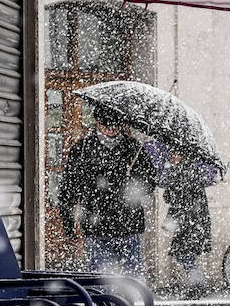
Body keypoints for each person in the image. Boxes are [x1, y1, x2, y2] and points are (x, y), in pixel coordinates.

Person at [58, 103, 158, 280]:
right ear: (97, 123)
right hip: (96, 225)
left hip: (128, 223)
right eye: (106, 126)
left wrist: (133, 184)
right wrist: (68, 224)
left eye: (115, 126)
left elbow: (150, 182)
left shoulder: (133, 148)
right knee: (101, 280)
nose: (111, 130)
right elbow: (69, 188)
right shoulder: (82, 149)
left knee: (132, 280)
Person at [149, 142, 219, 297]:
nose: (173, 157)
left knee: (185, 255)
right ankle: (197, 286)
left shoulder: (185, 171)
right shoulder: (186, 170)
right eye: (172, 154)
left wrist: (171, 182)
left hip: (190, 222)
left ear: (183, 155)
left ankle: (199, 286)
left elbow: (174, 198)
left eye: (176, 154)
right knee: (185, 255)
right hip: (190, 222)